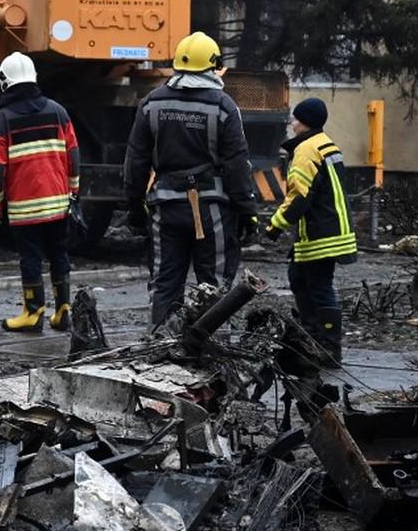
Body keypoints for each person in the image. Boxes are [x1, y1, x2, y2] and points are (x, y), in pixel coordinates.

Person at [122, 31, 258, 326]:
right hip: (213, 211)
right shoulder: (223, 106)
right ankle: (210, 345)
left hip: (165, 210)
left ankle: (161, 342)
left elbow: (135, 162)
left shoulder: (150, 104)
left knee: (165, 283)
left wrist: (134, 208)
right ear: (213, 65)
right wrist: (248, 212)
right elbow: (237, 165)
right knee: (214, 286)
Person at [0, 52, 81, 332]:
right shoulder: (58, 111)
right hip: (58, 203)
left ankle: (33, 312)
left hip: (25, 208)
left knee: (31, 258)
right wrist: (73, 188)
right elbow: (73, 154)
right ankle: (63, 310)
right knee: (59, 253)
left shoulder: (1, 120)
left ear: (4, 82)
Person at [264, 97, 357, 367]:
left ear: (304, 121)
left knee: (318, 286)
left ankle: (326, 348)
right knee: (299, 278)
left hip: (321, 233)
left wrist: (275, 225)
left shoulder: (306, 150)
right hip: (330, 228)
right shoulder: (326, 144)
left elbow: (299, 196)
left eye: (295, 118)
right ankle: (312, 340)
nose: (291, 123)